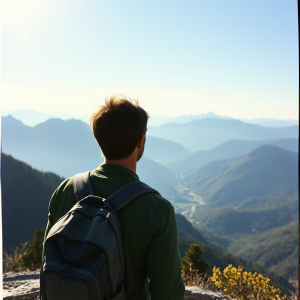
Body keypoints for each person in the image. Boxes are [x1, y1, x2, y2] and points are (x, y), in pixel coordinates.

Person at [42, 95, 185, 300]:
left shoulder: (64, 191)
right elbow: (168, 294)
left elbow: (47, 264)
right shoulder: (157, 210)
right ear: (140, 141)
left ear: (98, 139)